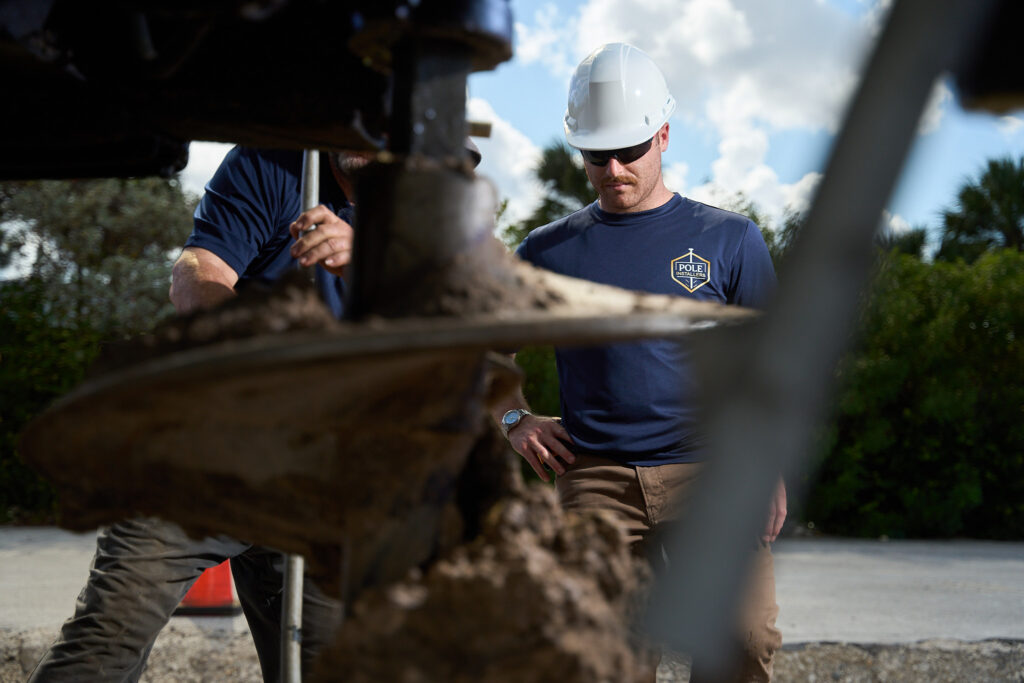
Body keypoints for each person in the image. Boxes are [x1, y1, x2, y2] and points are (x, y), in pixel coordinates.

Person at [490, 43, 785, 682]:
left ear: (664, 135)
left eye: (630, 150)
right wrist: (514, 419)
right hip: (596, 479)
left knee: (744, 639)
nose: (614, 168)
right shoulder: (547, 251)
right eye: (598, 154)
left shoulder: (729, 239)